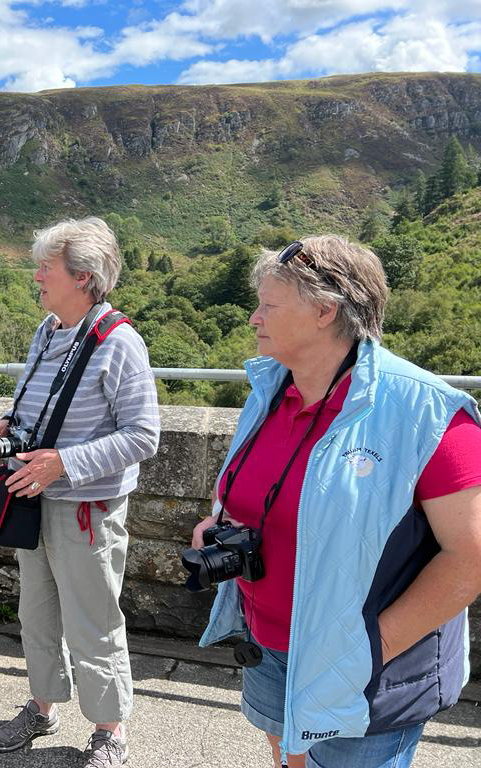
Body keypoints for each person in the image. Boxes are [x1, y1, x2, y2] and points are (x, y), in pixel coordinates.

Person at [191, 236, 481, 768]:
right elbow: (258, 494)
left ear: (326, 311)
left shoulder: (426, 412)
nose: (254, 317)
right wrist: (218, 524)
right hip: (271, 644)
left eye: (269, 305)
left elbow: (472, 557)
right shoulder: (273, 389)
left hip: (367, 670)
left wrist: (370, 651)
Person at [0, 217, 160, 768]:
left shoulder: (121, 342)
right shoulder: (50, 329)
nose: (36, 276)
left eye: (45, 268)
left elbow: (145, 434)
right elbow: (33, 402)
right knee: (36, 613)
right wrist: (7, 428)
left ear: (83, 277)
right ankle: (42, 706)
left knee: (93, 621)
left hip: (86, 507)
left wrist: (66, 463)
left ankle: (110, 730)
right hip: (37, 498)